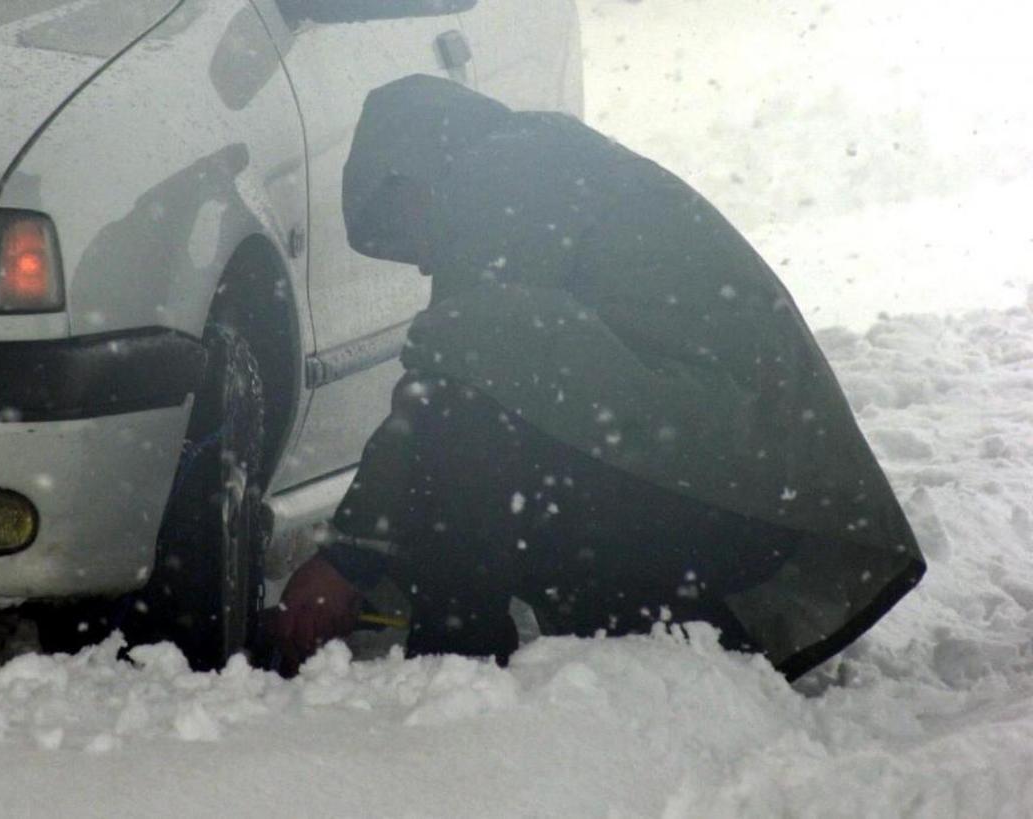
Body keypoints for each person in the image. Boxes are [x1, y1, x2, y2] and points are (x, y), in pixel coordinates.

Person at [273, 75, 925, 681]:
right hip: (751, 499)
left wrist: (349, 558)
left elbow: (447, 389)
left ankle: (455, 669)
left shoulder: (502, 178)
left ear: (411, 176)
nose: (420, 263)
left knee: (464, 420)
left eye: (404, 234)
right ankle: (666, 643)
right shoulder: (550, 166)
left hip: (734, 494)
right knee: (501, 444)